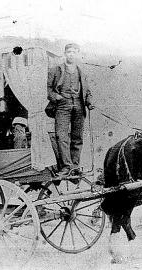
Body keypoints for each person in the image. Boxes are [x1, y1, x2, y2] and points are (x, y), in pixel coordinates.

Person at [47, 43, 94, 176]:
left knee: (77, 137)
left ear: (77, 54)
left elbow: (87, 91)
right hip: (62, 105)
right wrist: (57, 97)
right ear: (65, 53)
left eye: (74, 52)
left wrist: (89, 102)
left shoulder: (81, 72)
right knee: (61, 136)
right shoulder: (56, 70)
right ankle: (66, 167)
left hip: (79, 105)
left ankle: (75, 166)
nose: (71, 54)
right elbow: (48, 90)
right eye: (68, 52)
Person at [0, 71, 28, 149]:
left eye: (0, 78)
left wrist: (18, 124)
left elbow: (23, 109)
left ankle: (18, 159)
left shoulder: (15, 91)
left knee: (20, 137)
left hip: (14, 124)